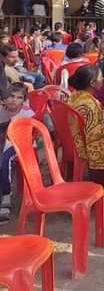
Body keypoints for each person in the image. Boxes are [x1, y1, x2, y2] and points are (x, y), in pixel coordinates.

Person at [68, 66, 104, 178]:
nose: (103, 79)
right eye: (101, 77)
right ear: (93, 83)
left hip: (71, 141)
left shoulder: (75, 96)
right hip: (84, 147)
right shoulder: (90, 105)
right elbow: (95, 136)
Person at [0, 83, 34, 224]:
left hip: (19, 144)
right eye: (11, 96)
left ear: (24, 100)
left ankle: (6, 197)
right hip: (3, 142)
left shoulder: (26, 114)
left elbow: (26, 136)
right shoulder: (1, 111)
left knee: (4, 160)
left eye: (19, 97)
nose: (14, 100)